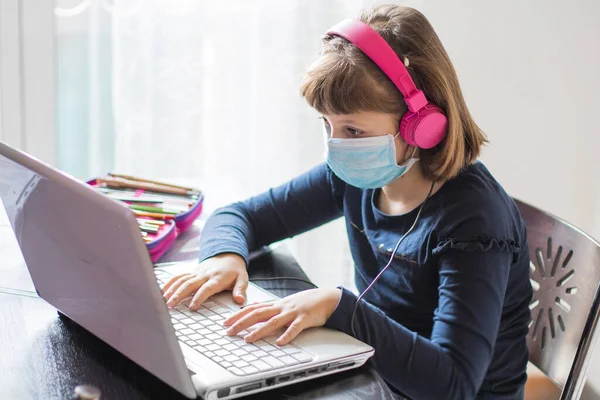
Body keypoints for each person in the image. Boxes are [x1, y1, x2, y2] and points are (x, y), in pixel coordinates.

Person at [162, 4, 532, 399]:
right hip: (376, 376)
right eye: (327, 124)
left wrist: (342, 307)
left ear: (422, 125)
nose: (336, 145)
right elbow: (240, 216)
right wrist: (224, 256)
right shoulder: (357, 174)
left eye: (353, 129)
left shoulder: (475, 221)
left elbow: (452, 384)